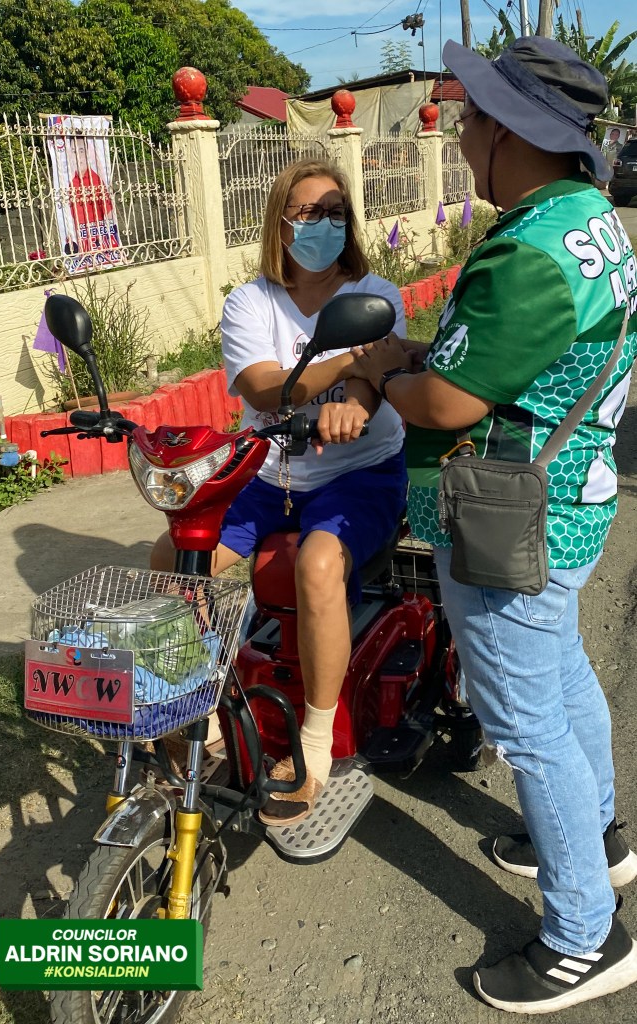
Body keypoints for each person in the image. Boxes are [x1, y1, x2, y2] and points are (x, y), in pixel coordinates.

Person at [353, 36, 637, 1015]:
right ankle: (600, 838)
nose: (461, 133)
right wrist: (421, 357)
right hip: (570, 502)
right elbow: (503, 360)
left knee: (525, 725)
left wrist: (383, 372)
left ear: (514, 132)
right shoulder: (588, 222)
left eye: (472, 117)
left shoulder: (527, 253)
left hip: (511, 522)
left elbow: (445, 403)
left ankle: (585, 936)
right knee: (561, 677)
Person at [153, 158, 407, 826]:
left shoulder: (375, 293)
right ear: (281, 222)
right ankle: (202, 705)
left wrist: (356, 398)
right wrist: (353, 359)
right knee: (173, 559)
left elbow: (372, 385)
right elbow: (267, 389)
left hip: (360, 471)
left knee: (317, 564)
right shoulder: (250, 302)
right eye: (307, 212)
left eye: (334, 212)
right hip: (268, 472)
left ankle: (315, 743)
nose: (322, 224)